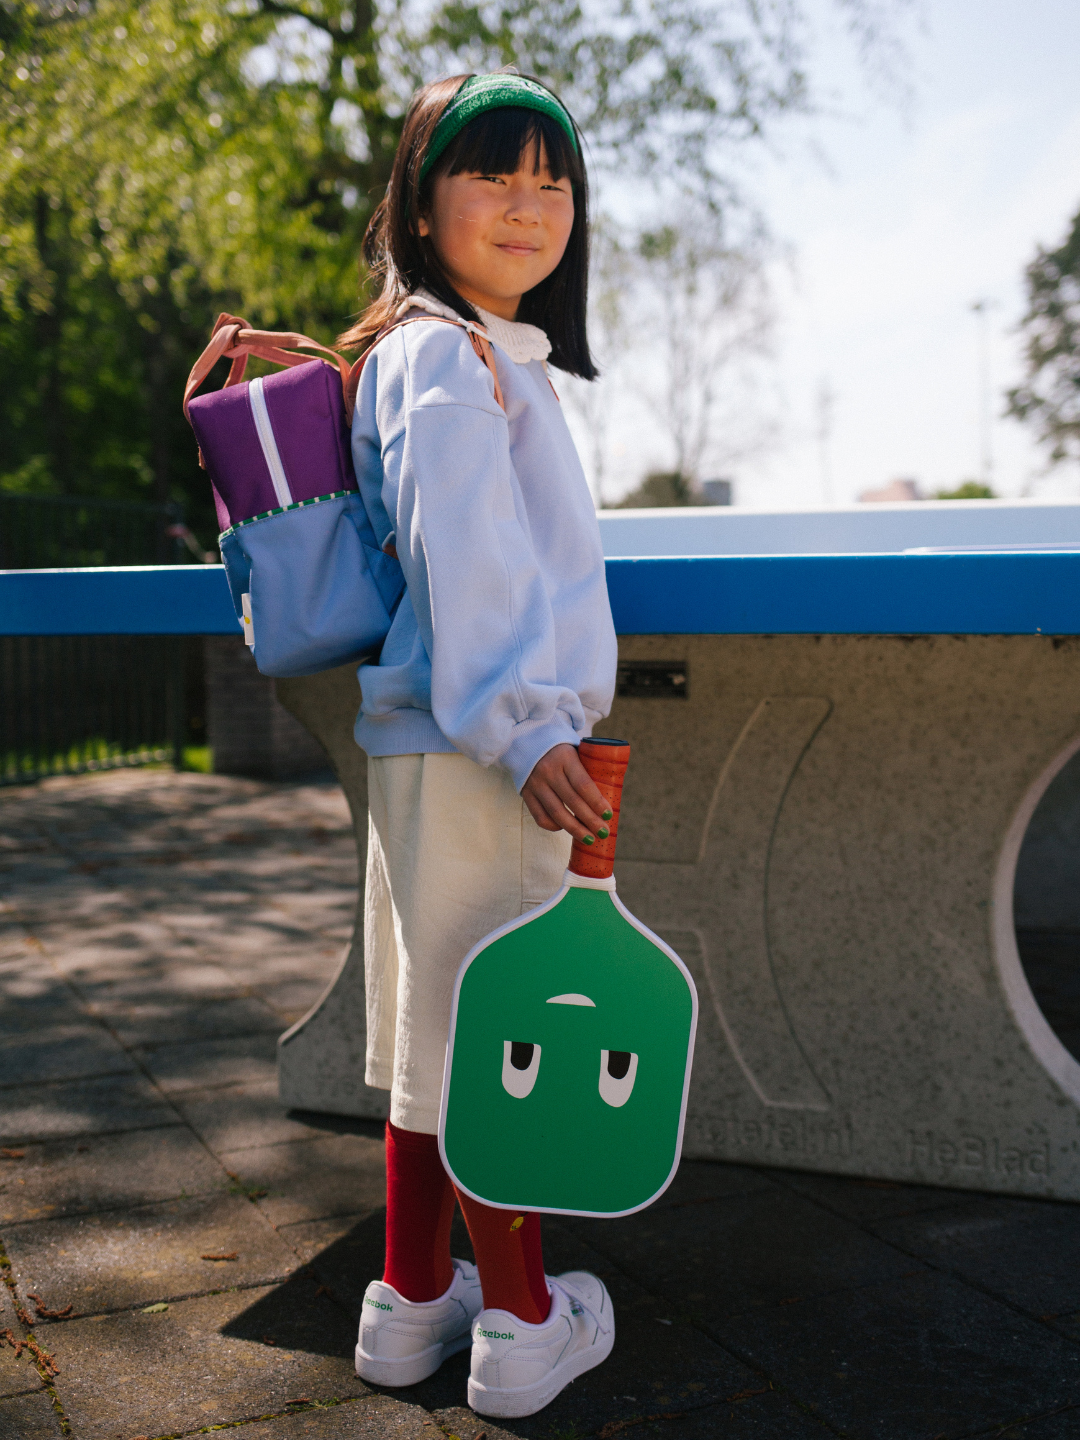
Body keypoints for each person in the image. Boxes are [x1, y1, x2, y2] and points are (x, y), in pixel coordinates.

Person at [338, 70, 619, 1419]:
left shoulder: (456, 351)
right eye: (493, 175)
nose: (528, 206)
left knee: (433, 1026)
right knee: (508, 1030)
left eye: (552, 182)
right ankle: (517, 1322)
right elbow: (471, 559)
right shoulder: (449, 358)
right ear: (422, 199)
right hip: (487, 749)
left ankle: (408, 1299)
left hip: (428, 743)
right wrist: (527, 729)